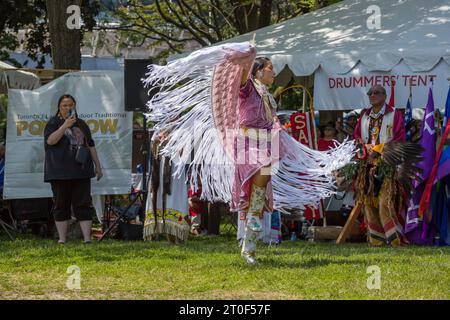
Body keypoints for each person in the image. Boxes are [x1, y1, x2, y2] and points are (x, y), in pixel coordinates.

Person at [143, 42, 355, 265]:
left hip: (266, 144)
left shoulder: (268, 97)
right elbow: (242, 70)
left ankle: (249, 247)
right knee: (252, 192)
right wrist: (250, 52)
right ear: (258, 71)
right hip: (247, 144)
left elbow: (272, 125)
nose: (274, 72)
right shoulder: (247, 87)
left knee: (257, 197)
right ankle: (248, 244)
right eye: (270, 68)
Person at [44, 94, 103, 244]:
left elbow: (90, 145)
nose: (68, 108)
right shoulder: (53, 123)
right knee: (61, 205)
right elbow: (50, 141)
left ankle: (87, 239)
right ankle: (62, 239)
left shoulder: (82, 124)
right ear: (59, 107)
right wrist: (64, 126)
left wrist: (98, 165)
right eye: (65, 105)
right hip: (59, 172)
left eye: (71, 105)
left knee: (83, 204)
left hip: (81, 171)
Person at [352, 85, 407, 246]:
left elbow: (399, 138)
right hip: (367, 166)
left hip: (387, 164)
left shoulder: (394, 114)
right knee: (368, 202)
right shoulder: (364, 115)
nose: (373, 95)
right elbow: (356, 137)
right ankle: (376, 240)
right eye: (370, 93)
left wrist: (377, 149)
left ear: (385, 95)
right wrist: (365, 146)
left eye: (377, 92)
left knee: (385, 202)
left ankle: (394, 239)